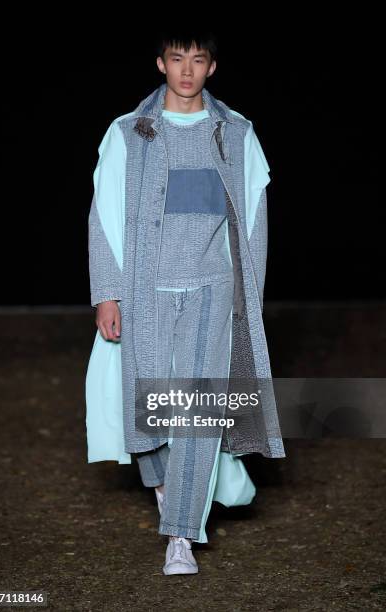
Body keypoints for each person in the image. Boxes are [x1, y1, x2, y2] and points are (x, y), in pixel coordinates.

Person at [86, 30, 286, 576]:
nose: (187, 70)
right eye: (178, 59)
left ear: (212, 67)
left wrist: (252, 298)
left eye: (198, 60)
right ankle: (166, 487)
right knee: (147, 411)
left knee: (197, 410)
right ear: (161, 63)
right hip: (147, 290)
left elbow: (253, 221)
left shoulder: (236, 133)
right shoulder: (129, 133)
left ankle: (180, 534)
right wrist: (108, 291)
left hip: (211, 287)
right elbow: (103, 214)